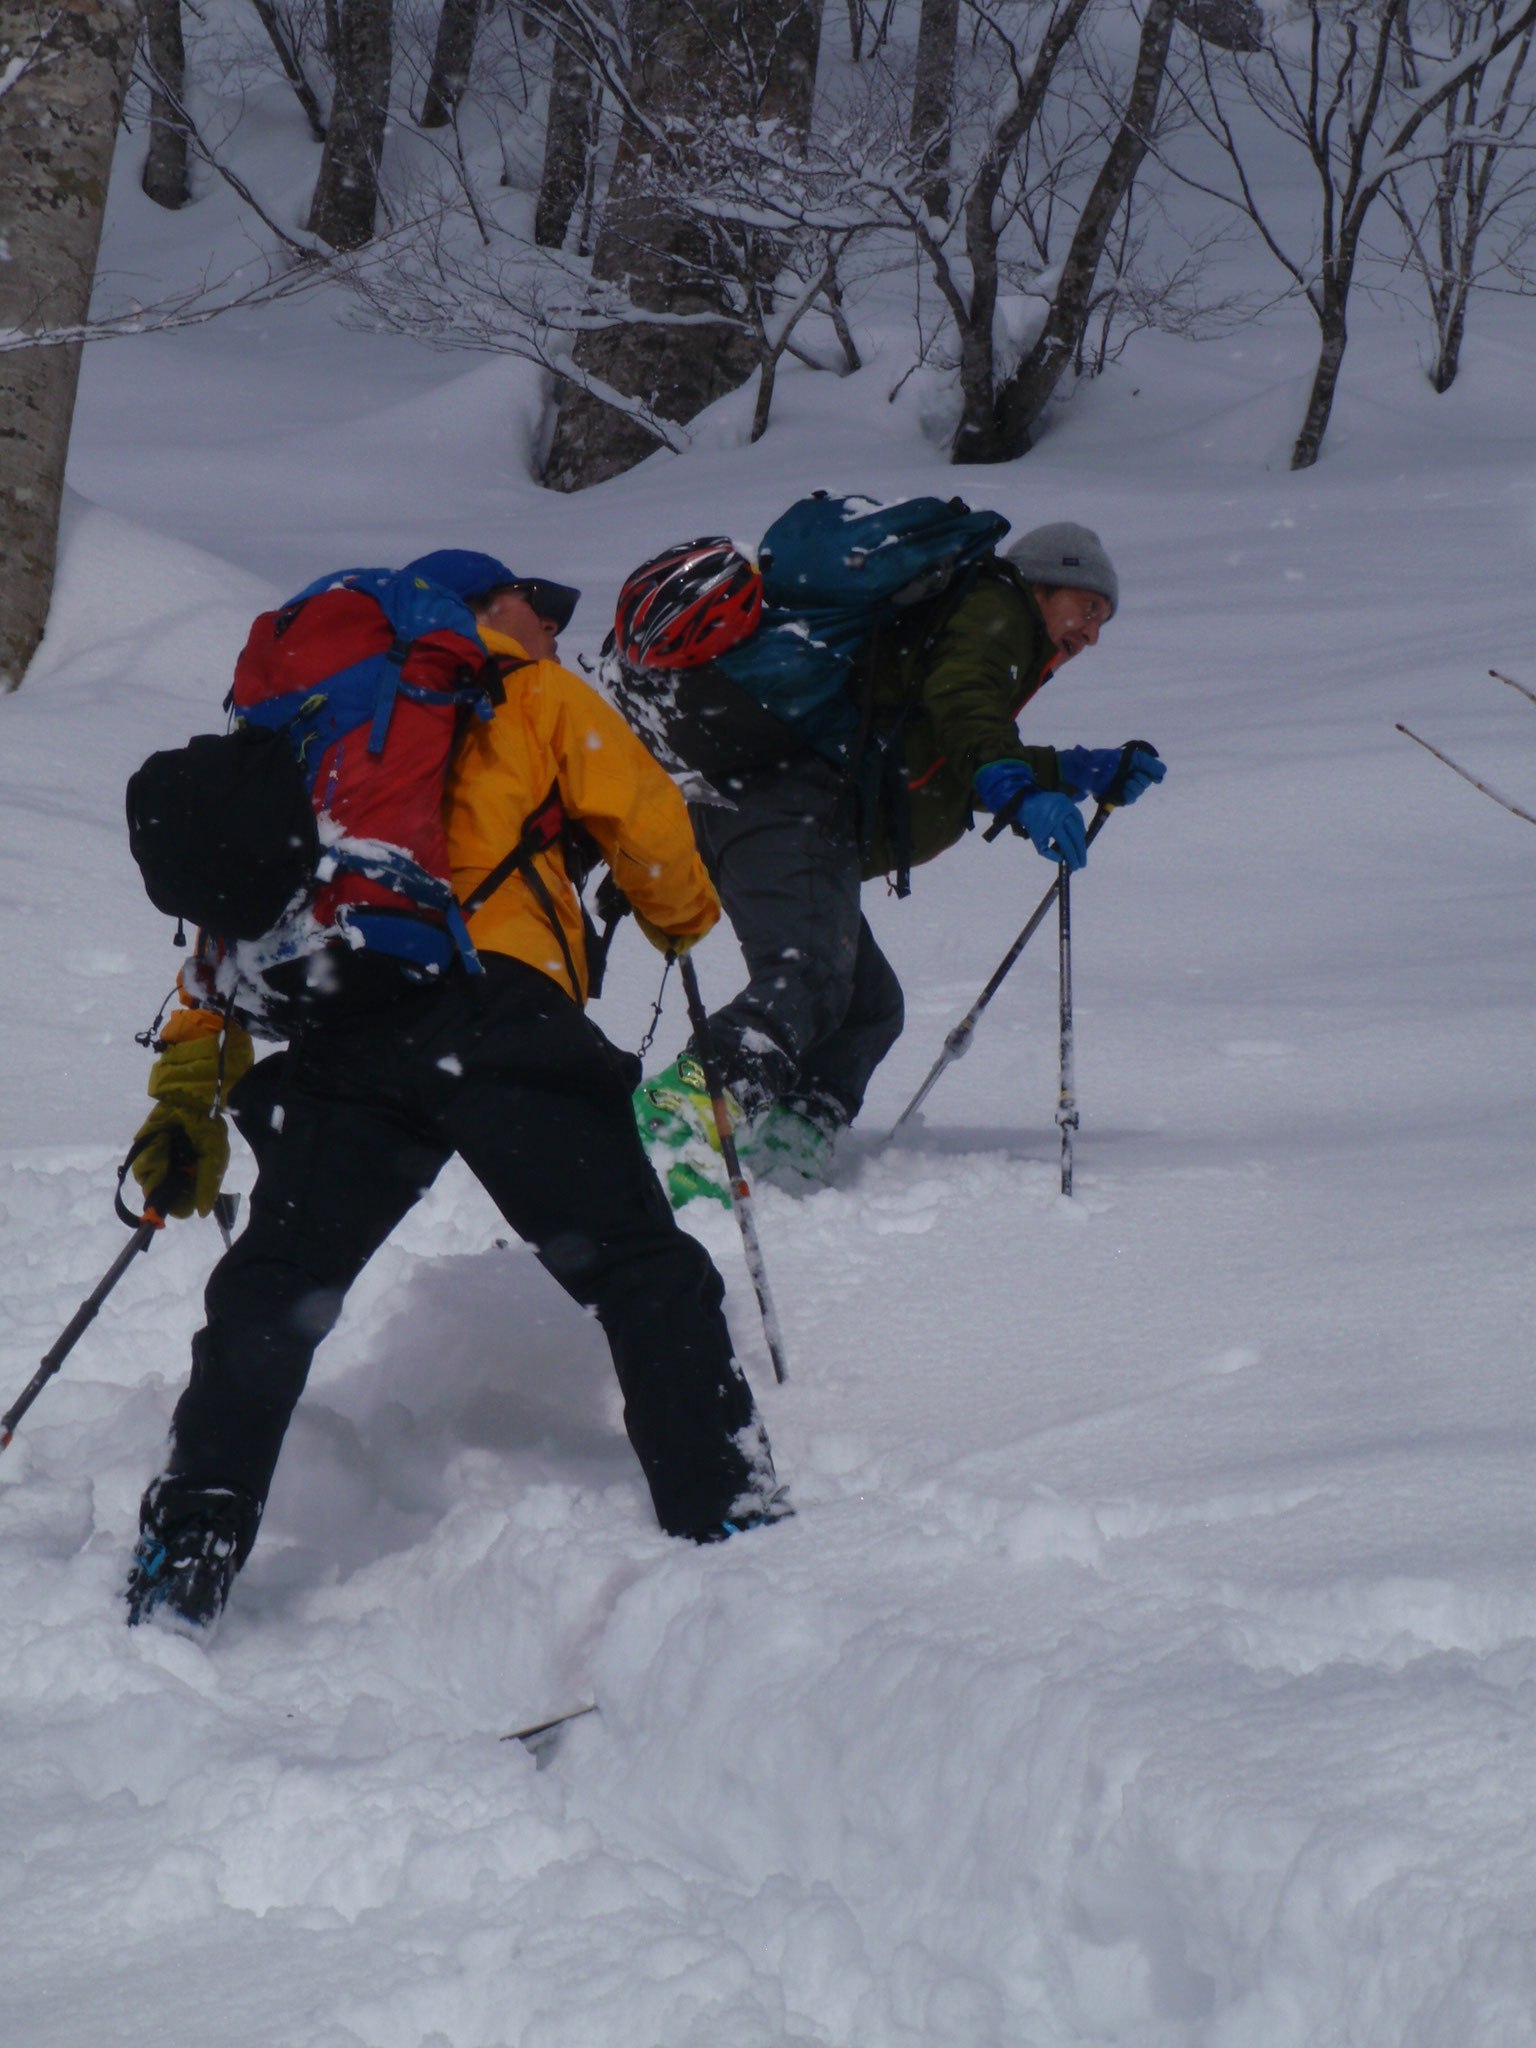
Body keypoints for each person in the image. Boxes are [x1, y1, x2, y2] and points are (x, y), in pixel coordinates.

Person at [124, 548, 787, 1633]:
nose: (554, 628)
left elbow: (230, 924)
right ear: (479, 609)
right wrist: (677, 915)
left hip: (347, 1019)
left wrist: (187, 1087)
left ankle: (183, 1559)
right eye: (537, 604)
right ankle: (734, 1522)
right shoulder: (530, 691)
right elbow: (657, 831)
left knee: (270, 1293)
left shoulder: (310, 741)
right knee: (636, 1267)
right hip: (494, 1016)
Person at [636, 521, 1164, 1194]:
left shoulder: (971, 632)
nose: (1092, 634)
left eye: (1103, 621)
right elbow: (966, 712)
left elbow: (940, 760)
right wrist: (1017, 790)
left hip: (774, 805)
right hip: (785, 802)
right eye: (1088, 608)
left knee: (868, 1006)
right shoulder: (998, 610)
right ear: (1043, 582)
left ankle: (791, 1139)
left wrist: (1078, 771)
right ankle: (679, 1119)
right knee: (810, 980)